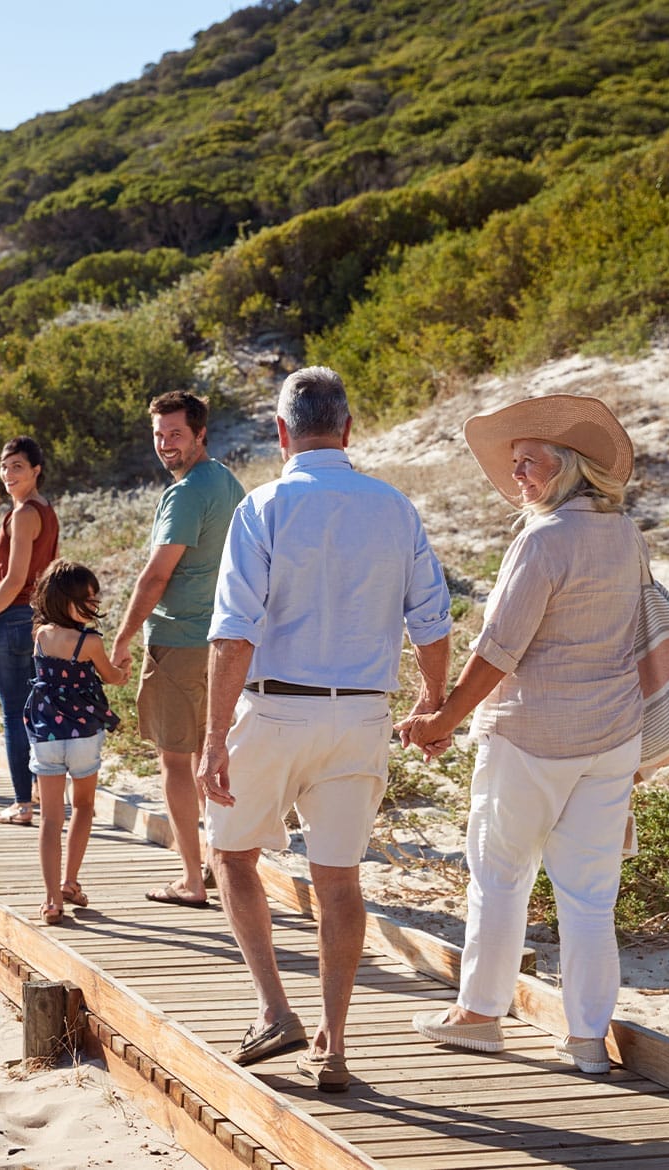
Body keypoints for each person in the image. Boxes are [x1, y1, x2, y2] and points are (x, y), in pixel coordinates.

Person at [198, 366, 452, 1093]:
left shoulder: (264, 505)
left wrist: (215, 738)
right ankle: (334, 1046)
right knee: (339, 880)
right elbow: (432, 619)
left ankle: (275, 1009)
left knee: (233, 853)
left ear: (281, 434)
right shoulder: (394, 507)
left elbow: (233, 634)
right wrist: (432, 703)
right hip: (363, 712)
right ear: (347, 429)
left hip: (276, 708)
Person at [400, 394, 643, 1077]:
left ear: (568, 466)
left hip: (532, 734)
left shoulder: (544, 540)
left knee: (501, 875)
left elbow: (498, 651)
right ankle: (588, 1040)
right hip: (613, 735)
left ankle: (480, 1014)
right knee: (592, 895)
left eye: (529, 463)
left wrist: (440, 720)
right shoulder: (625, 532)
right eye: (514, 466)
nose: (519, 479)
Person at [111, 391, 244, 909]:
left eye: (176, 435)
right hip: (227, 641)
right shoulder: (229, 482)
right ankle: (220, 863)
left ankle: (193, 878)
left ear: (200, 435)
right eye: (159, 435)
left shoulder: (187, 492)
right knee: (212, 757)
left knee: (176, 761)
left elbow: (156, 576)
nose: (166, 445)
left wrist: (122, 639)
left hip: (179, 641)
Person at [23, 560, 128, 925]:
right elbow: (111, 677)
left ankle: (52, 900)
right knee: (82, 806)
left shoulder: (41, 636)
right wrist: (124, 669)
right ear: (71, 601)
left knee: (50, 819)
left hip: (46, 733)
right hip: (83, 734)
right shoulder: (90, 641)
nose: (94, 602)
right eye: (88, 597)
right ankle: (70, 881)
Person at [0, 437, 60, 826]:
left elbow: (16, 577)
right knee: (36, 712)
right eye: (4, 466)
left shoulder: (23, 514)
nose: (8, 474)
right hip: (37, 619)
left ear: (36, 470)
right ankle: (42, 794)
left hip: (13, 619)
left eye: (17, 466)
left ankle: (23, 803)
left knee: (15, 715)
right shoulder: (46, 510)